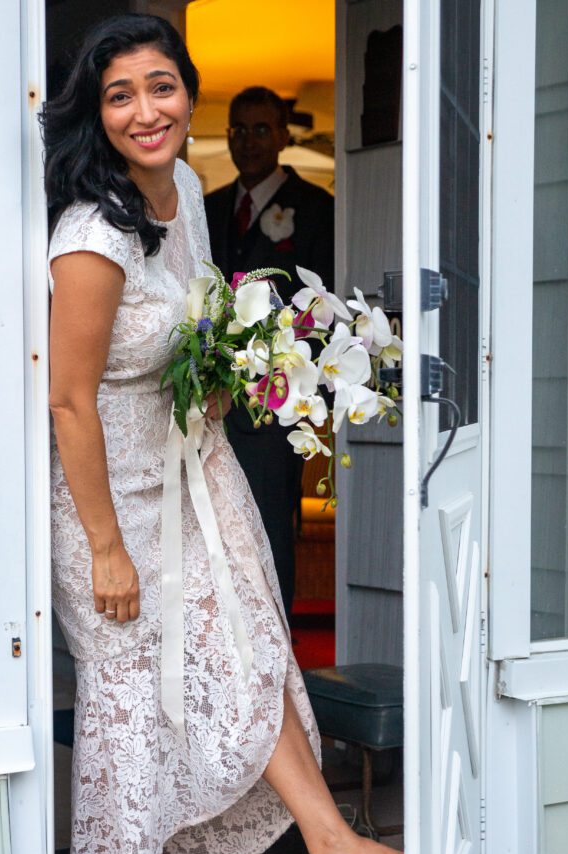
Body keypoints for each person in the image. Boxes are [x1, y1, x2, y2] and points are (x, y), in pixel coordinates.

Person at [41, 15, 403, 854]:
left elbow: (193, 331)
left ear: (187, 95)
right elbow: (69, 403)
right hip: (104, 495)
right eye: (119, 95)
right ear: (99, 114)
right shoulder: (90, 234)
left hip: (192, 471)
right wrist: (107, 545)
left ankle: (326, 840)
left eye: (160, 86)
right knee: (122, 684)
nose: (144, 110)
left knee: (249, 640)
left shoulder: (190, 202)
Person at [205, 88, 335, 617]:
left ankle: (274, 657)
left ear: (284, 135)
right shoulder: (208, 206)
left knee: (268, 530)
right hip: (209, 403)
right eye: (238, 129)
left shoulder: (318, 209)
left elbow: (320, 309)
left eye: (261, 129)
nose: (248, 141)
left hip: (272, 408)